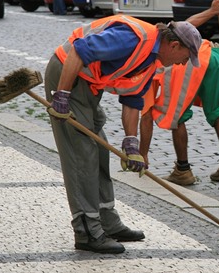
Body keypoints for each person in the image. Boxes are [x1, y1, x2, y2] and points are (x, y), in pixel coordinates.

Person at [44, 15, 203, 254]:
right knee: (82, 154)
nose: (182, 64)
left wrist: (131, 145)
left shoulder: (151, 61)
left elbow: (132, 100)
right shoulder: (133, 38)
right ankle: (87, 230)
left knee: (100, 151)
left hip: (87, 84)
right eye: (185, 57)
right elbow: (79, 51)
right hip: (67, 73)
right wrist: (62, 95)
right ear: (174, 45)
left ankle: (106, 220)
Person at [140, 0, 219, 186]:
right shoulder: (166, 34)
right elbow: (189, 24)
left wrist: (142, 154)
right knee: (217, 111)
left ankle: (183, 170)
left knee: (176, 115)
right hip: (214, 55)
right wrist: (211, 11)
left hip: (195, 63)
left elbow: (145, 115)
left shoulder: (150, 61)